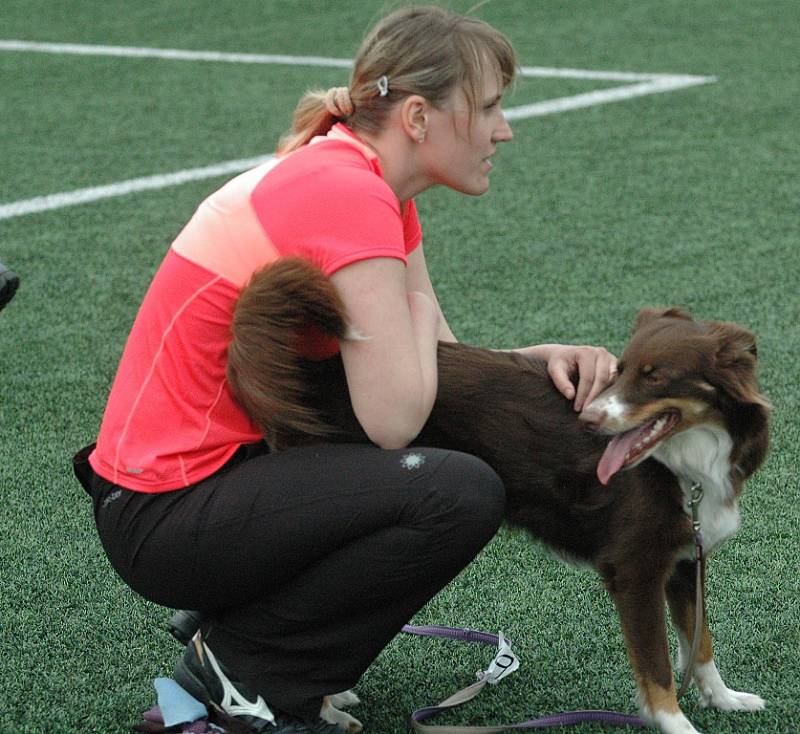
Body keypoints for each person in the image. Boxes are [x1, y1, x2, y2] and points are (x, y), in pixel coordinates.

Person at [73, 6, 617, 733]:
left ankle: (253, 642)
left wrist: (532, 361)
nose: (504, 128)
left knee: (454, 456)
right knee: (453, 491)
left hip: (196, 494)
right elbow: (397, 418)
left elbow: (442, 381)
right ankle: (249, 674)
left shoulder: (368, 184)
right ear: (419, 117)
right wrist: (417, 321)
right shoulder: (347, 192)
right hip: (168, 514)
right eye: (488, 107)